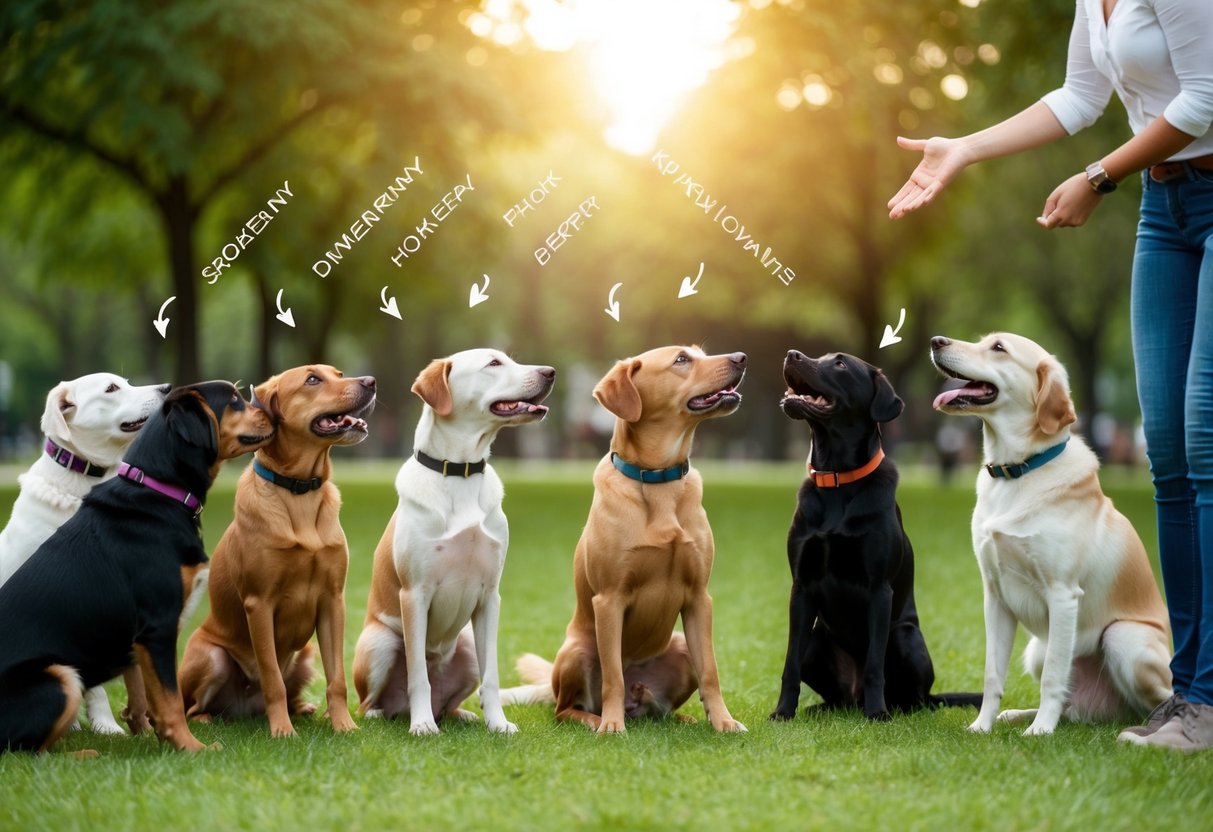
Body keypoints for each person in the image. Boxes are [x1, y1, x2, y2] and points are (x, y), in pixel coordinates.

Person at [889, 0, 1213, 752]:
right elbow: (1079, 95)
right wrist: (964, 149)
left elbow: (1204, 98)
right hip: (1162, 205)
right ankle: (1189, 693)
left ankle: (1206, 698)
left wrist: (1098, 175)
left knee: (1204, 441)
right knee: (1168, 455)